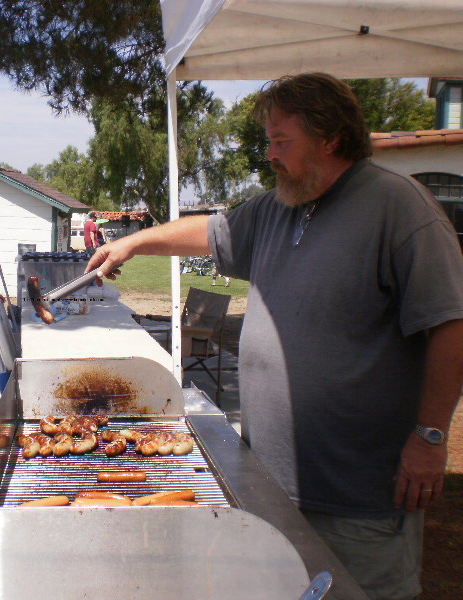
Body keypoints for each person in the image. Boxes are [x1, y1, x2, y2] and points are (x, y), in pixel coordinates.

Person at [86, 73, 463, 600]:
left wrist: (429, 438)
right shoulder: (280, 205)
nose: (269, 153)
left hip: (358, 496)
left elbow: (450, 325)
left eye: (281, 140)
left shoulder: (401, 210)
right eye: (268, 139)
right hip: (273, 485)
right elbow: (212, 231)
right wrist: (134, 243)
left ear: (330, 138)